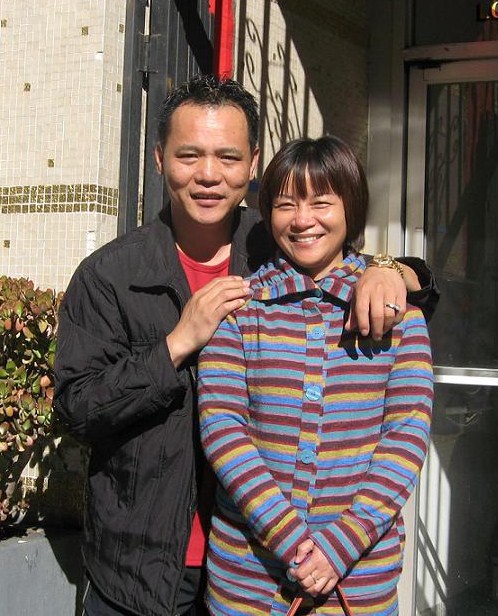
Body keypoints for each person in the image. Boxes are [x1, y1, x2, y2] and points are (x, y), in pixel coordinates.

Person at [54, 74, 438, 616]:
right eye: (189, 155)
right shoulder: (111, 275)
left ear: (252, 163)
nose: (209, 174)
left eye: (228, 157)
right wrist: (176, 345)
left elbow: (347, 260)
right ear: (160, 158)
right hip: (146, 562)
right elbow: (77, 408)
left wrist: (391, 269)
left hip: (257, 564)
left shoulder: (277, 238)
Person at [197, 136, 434, 615]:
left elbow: (406, 436)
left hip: (358, 583)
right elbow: (222, 426)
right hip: (247, 581)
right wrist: (292, 541)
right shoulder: (240, 310)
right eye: (285, 204)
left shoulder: (398, 313)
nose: (303, 220)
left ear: (351, 207)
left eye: (321, 202)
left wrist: (341, 544)